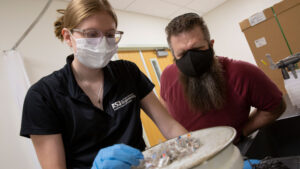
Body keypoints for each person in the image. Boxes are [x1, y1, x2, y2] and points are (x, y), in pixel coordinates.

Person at [20, 0, 187, 169]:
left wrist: (196, 147)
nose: (102, 42)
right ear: (68, 37)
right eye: (92, 34)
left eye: (109, 35)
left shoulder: (128, 72)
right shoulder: (42, 96)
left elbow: (169, 126)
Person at [160, 13, 286, 148]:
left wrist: (241, 133)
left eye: (197, 49)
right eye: (182, 54)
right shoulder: (167, 76)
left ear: (211, 45)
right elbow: (164, 107)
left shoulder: (242, 72)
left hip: (234, 149)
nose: (191, 59)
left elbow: (276, 107)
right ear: (173, 55)